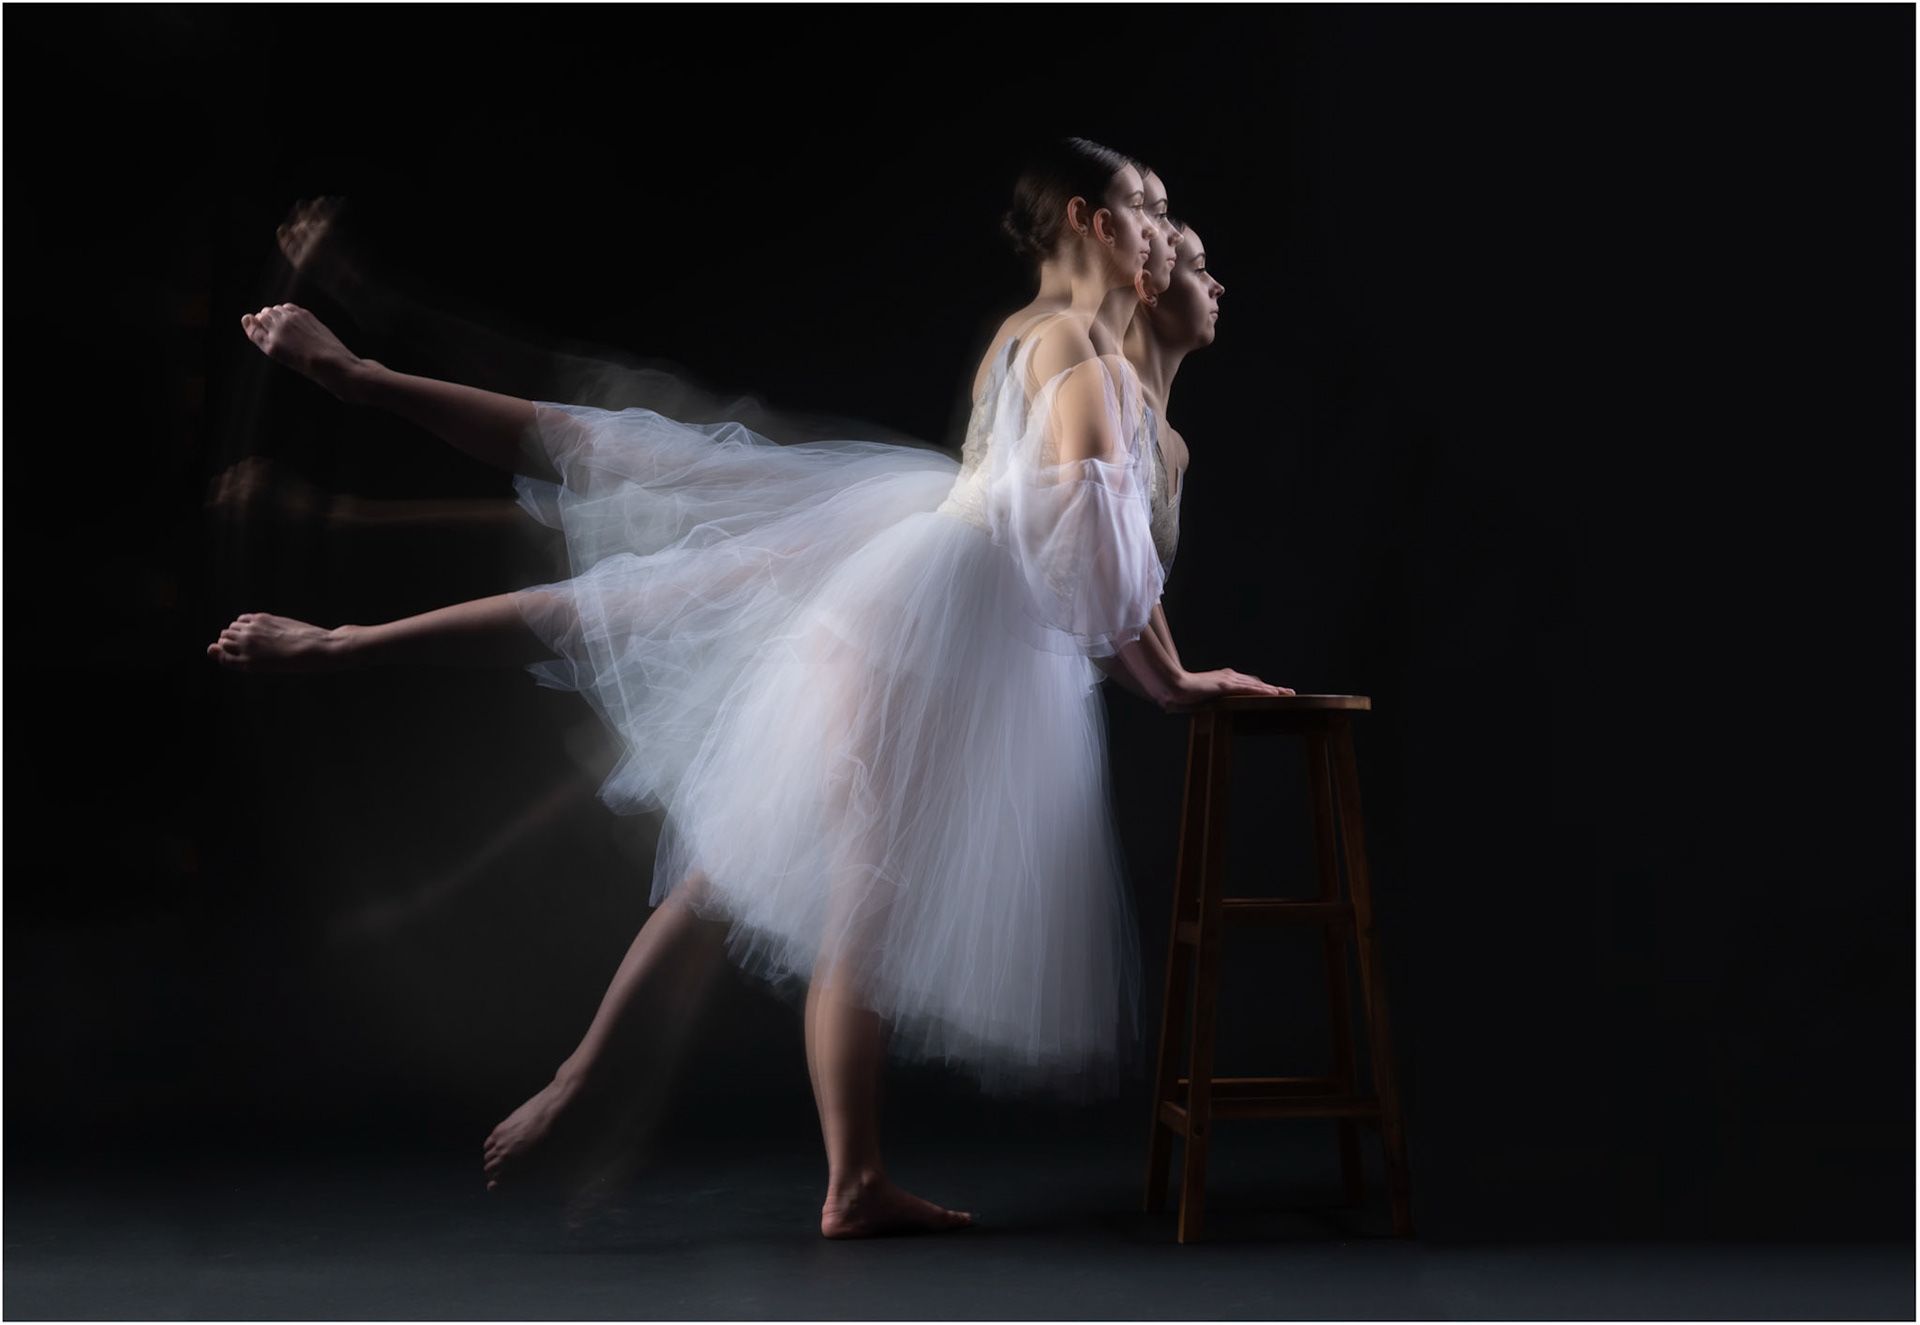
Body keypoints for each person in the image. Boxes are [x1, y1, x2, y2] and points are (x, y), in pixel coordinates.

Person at [210, 138, 1290, 1237]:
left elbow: (1099, 561)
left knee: (711, 809)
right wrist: (1168, 679)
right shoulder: (1069, 347)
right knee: (650, 589)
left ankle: (617, 1084)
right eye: (1152, 211)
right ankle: (842, 1178)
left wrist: (1165, 668)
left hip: (943, 605)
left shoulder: (1088, 367)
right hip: (934, 617)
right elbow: (1090, 557)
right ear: (1094, 222)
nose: (1170, 238)